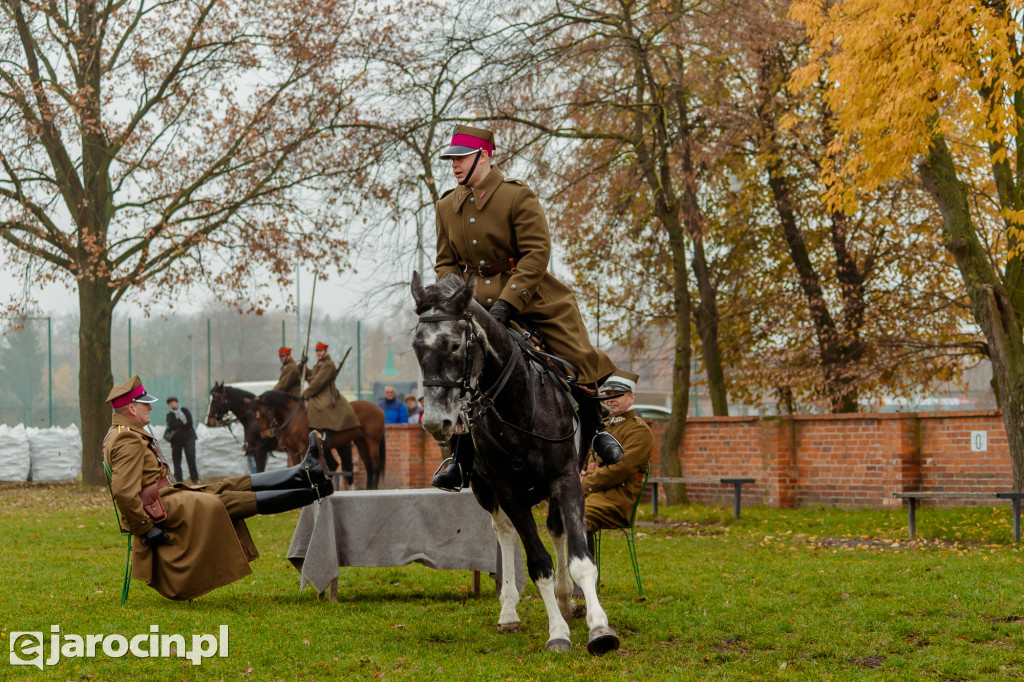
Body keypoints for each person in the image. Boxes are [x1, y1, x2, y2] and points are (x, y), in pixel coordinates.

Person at [431, 124, 622, 490]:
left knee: (574, 354)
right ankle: (458, 456)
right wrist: (456, 298)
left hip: (529, 296)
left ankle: (598, 430)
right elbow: (445, 262)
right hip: (473, 303)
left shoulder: (516, 196)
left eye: (461, 158)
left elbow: (537, 254)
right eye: (451, 159)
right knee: (450, 363)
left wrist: (506, 304)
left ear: (483, 156)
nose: (454, 165)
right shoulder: (445, 206)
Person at [103, 375, 333, 601]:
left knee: (228, 485)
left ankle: (303, 472)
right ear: (132, 409)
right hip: (159, 507)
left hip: (165, 496)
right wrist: (145, 527)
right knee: (224, 501)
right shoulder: (127, 438)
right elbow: (123, 491)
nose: (150, 409)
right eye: (145, 405)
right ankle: (311, 493)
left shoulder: (126, 433)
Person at [580, 371, 653, 532]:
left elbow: (621, 469)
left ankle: (585, 559)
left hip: (617, 498)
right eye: (607, 394)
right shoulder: (602, 426)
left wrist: (584, 483)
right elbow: (586, 461)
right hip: (592, 493)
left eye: (617, 395)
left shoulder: (638, 430)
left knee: (576, 517)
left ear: (631, 398)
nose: (610, 399)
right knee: (558, 512)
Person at [302, 342, 361, 437]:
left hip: (326, 393)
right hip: (317, 392)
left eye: (321, 351)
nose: (318, 353)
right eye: (317, 351)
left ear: (325, 352)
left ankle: (324, 432)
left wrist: (305, 393)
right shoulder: (319, 364)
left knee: (320, 406)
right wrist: (302, 365)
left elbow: (318, 383)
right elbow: (310, 376)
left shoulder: (328, 365)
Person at [164, 396, 199, 484]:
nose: (172, 404)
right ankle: (179, 481)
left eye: (173, 402)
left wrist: (178, 425)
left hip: (189, 438)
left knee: (191, 460)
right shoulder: (169, 415)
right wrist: (182, 422)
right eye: (170, 403)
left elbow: (190, 423)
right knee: (176, 461)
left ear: (177, 402)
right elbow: (171, 425)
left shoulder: (185, 411)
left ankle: (195, 479)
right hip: (176, 441)